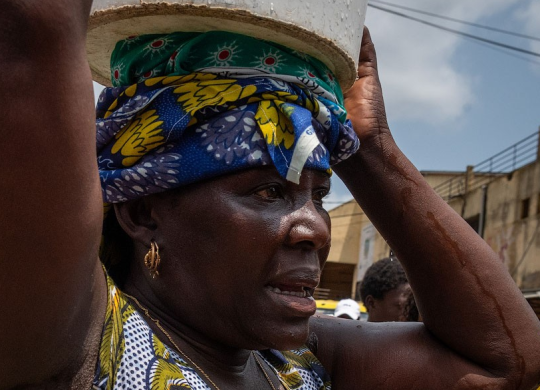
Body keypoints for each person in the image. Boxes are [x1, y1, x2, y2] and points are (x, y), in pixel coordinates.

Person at [2, 2, 540, 389]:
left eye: (320, 195)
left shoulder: (302, 361)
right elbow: (30, 33)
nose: (316, 230)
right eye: (267, 192)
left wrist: (371, 149)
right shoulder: (83, 342)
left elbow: (505, 360)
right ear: (144, 211)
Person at [359, 257, 411, 322]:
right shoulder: (351, 331)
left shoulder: (416, 330)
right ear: (371, 303)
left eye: (410, 306)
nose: (408, 313)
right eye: (402, 307)